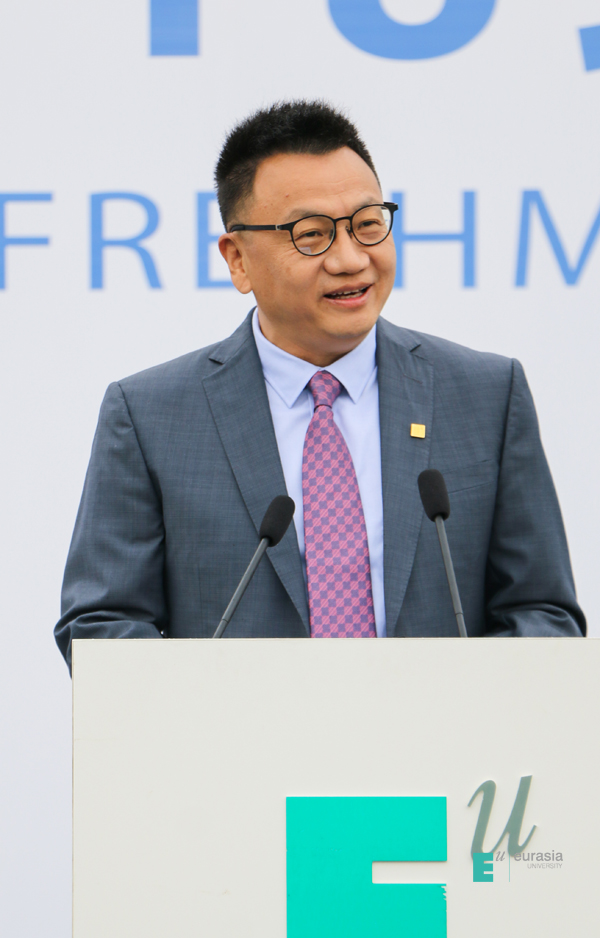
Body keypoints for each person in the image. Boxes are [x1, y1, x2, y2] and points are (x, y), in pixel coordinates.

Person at [55, 100, 585, 669]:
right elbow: (102, 623)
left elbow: (541, 612)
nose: (351, 259)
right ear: (238, 260)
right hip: (238, 728)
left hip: (440, 726)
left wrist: (467, 699)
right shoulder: (151, 416)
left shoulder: (486, 395)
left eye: (368, 224)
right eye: (312, 235)